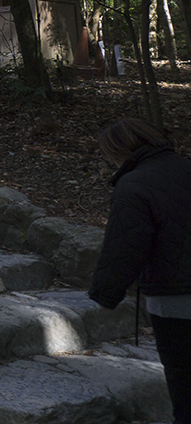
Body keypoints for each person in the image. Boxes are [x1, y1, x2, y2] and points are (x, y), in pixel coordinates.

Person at [89, 118, 191, 423]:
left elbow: (125, 244)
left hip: (176, 298)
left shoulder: (134, 184)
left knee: (183, 379)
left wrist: (105, 293)